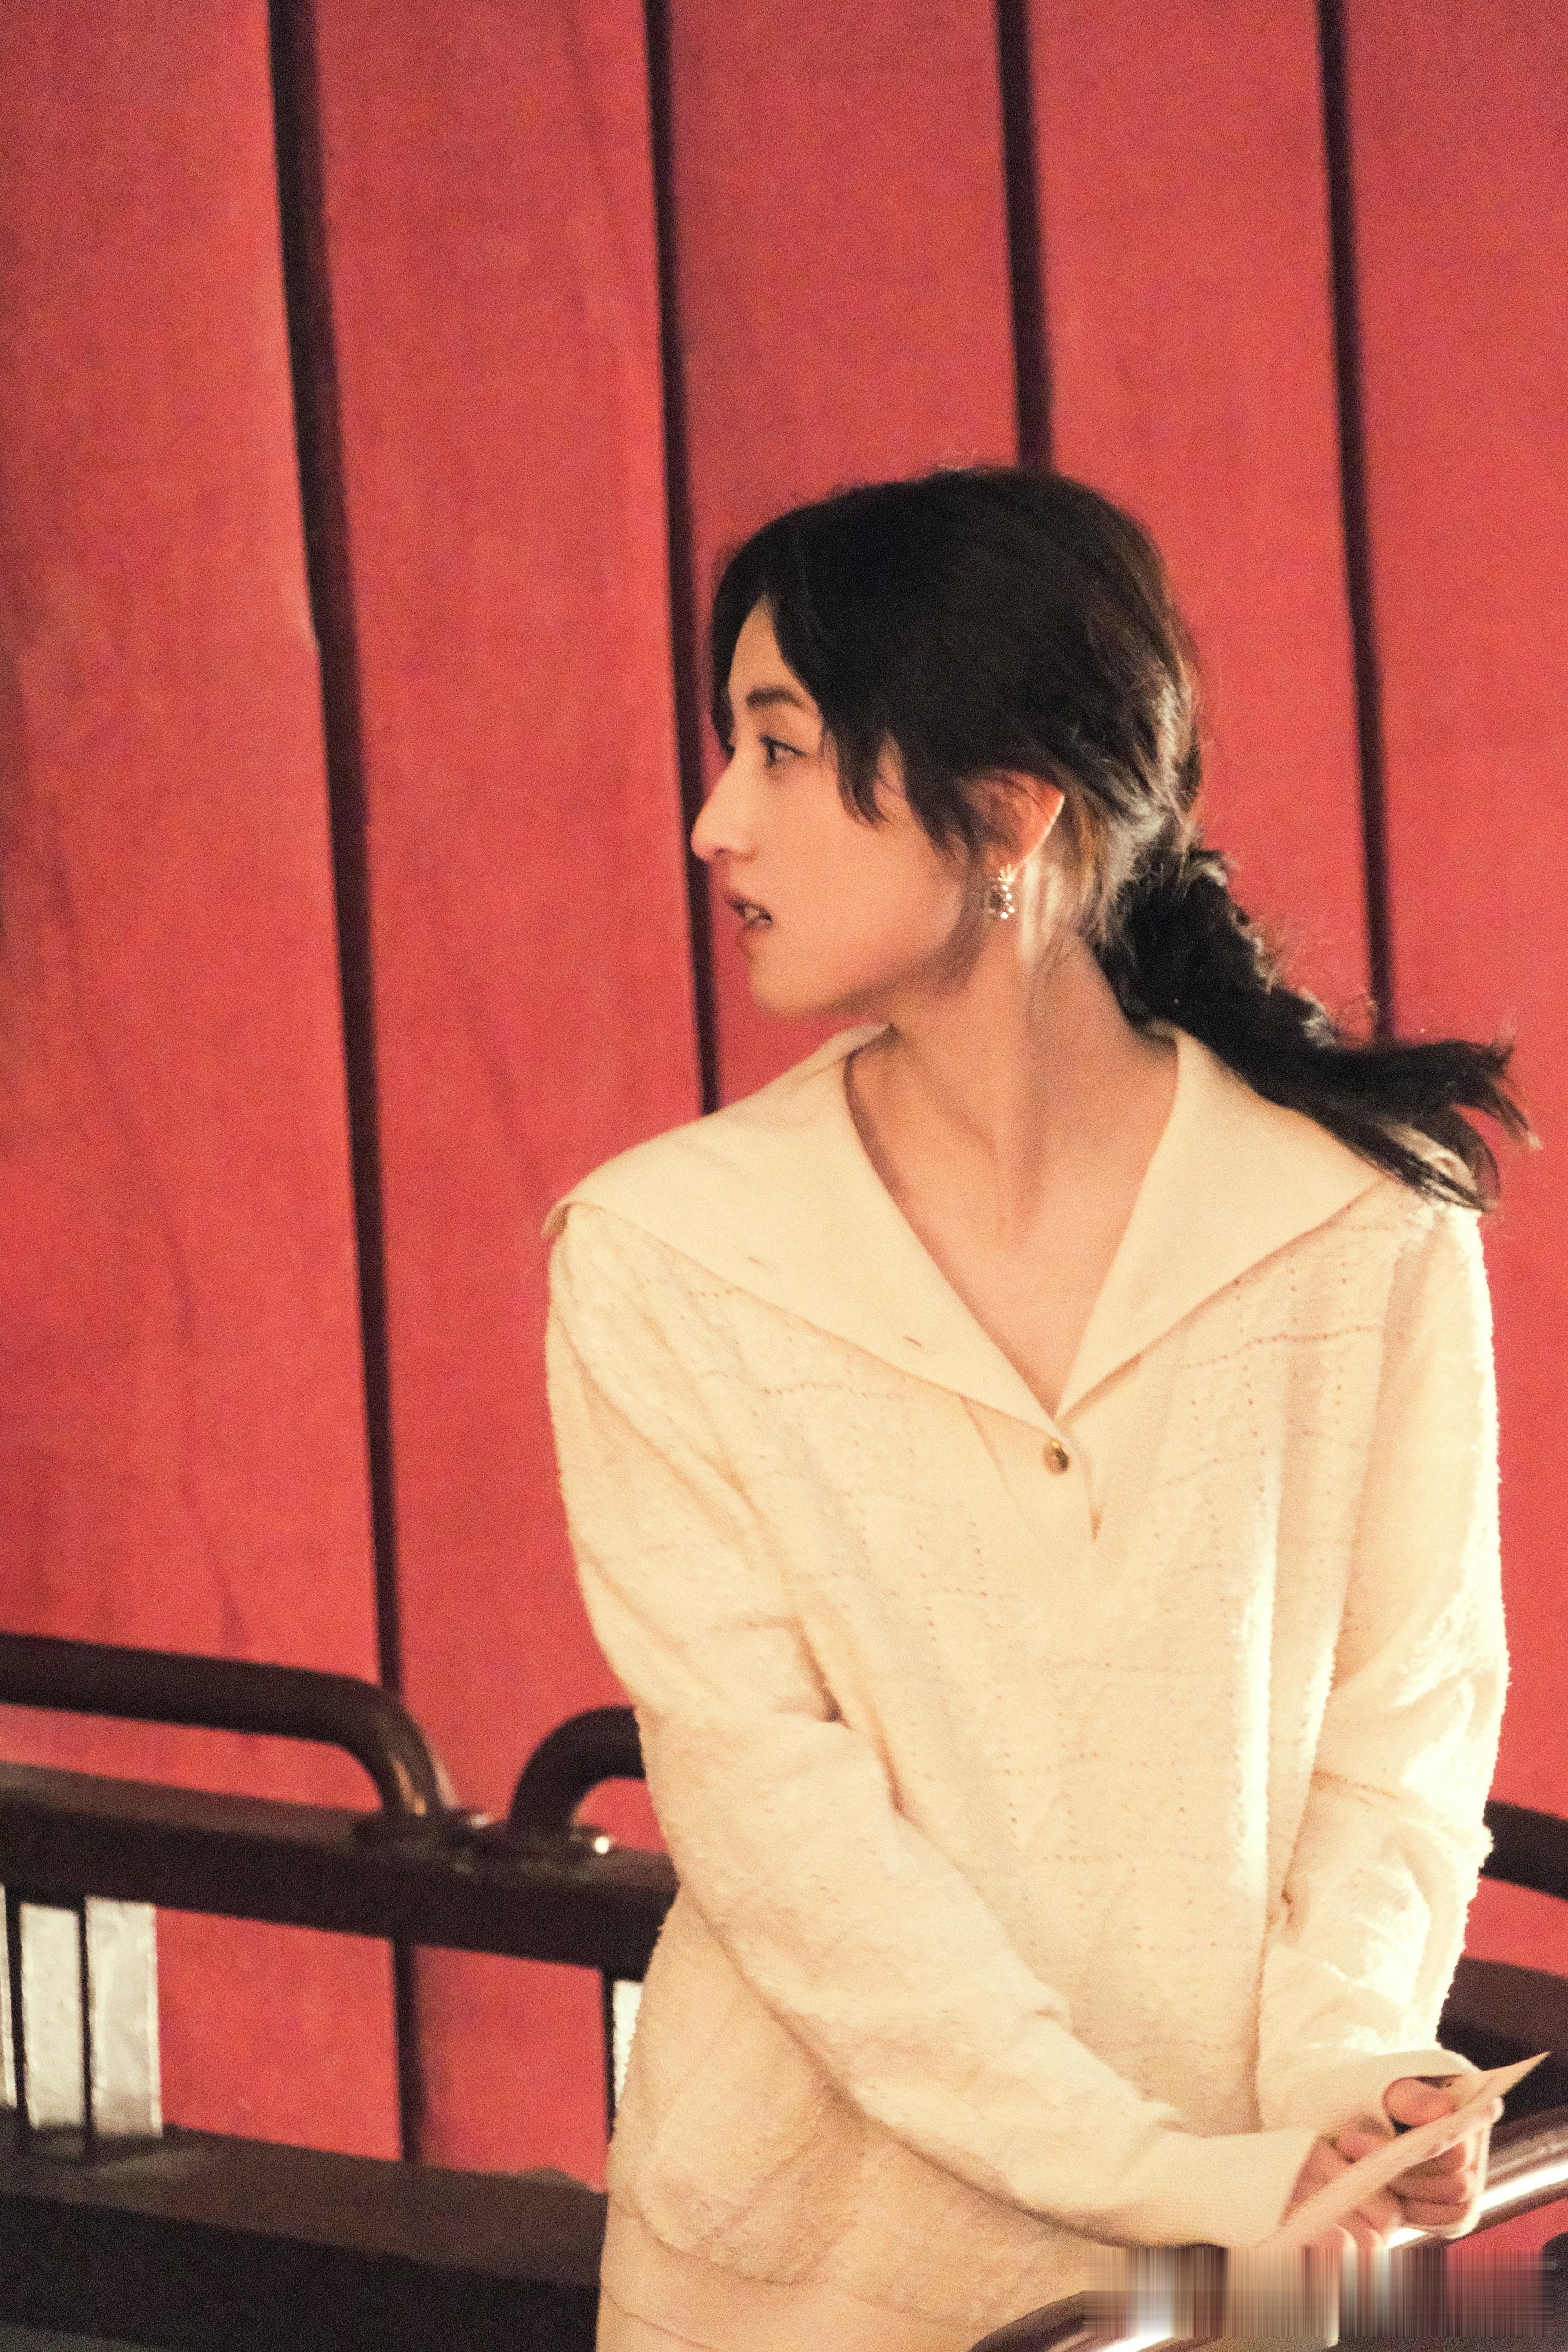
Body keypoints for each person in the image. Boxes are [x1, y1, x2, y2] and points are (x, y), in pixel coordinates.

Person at [541, 468, 1527, 2352]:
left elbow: (1399, 1736)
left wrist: (1342, 2078)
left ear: (1008, 811)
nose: (713, 821)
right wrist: (1167, 2177)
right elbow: (781, 1838)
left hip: (1236, 2271)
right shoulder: (665, 1256)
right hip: (797, 2296)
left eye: (778, 747)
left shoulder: (1361, 1231)